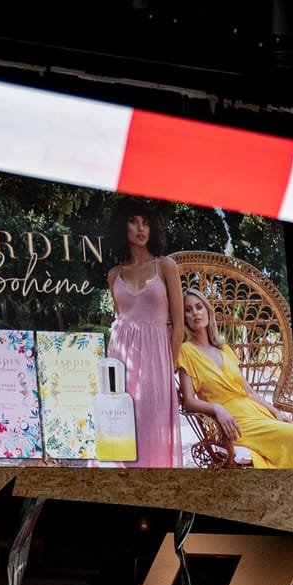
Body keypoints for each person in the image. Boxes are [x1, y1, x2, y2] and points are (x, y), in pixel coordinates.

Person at [175, 289, 293, 469]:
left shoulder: (224, 349)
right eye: (188, 310)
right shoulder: (186, 351)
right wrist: (217, 408)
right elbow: (188, 401)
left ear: (207, 310)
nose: (195, 313)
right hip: (233, 421)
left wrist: (275, 411)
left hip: (255, 412)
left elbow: (249, 392)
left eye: (199, 307)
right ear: (184, 317)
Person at [105, 196, 184, 467]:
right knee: (122, 424)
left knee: (152, 428)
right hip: (120, 358)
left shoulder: (165, 266)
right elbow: (121, 319)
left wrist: (170, 365)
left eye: (146, 222)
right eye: (133, 221)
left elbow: (178, 323)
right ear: (121, 227)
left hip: (156, 359)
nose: (141, 228)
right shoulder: (114, 274)